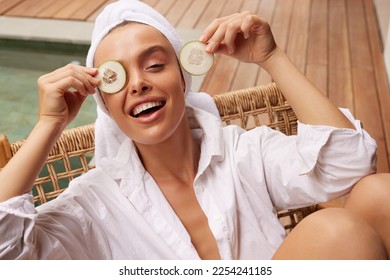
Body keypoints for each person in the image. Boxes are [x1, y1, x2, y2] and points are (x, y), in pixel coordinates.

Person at [0, 0, 389, 260]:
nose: (138, 83)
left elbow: (350, 163)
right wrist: (49, 125)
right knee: (336, 231)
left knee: (379, 194)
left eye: (154, 65)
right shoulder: (93, 205)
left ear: (183, 79)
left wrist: (271, 57)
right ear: (103, 102)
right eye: (117, 77)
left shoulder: (241, 154)